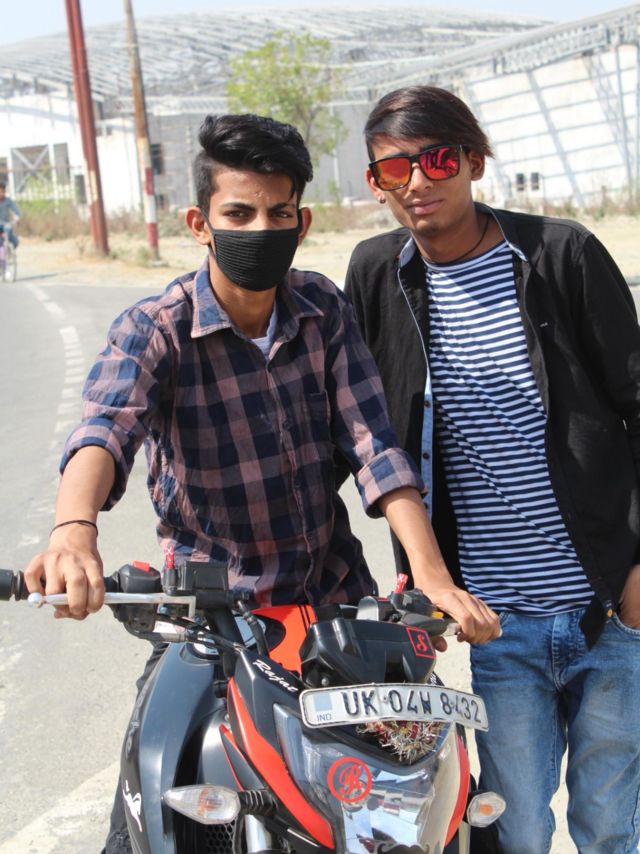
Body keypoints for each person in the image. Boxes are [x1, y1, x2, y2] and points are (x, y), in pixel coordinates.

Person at [24, 113, 499, 854]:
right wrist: (72, 532)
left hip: (336, 612)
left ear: (301, 222)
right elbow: (103, 431)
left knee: (431, 803)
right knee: (152, 798)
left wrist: (432, 577)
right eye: (239, 214)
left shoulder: (323, 310)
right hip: (210, 622)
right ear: (200, 224)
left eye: (279, 214)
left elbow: (375, 447)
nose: (261, 229)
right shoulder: (156, 327)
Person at [344, 85, 640, 854]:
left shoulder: (560, 254)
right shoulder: (378, 273)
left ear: (474, 161)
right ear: (375, 183)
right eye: (393, 169)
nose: (417, 181)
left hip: (608, 608)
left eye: (438, 159)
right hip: (493, 620)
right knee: (513, 827)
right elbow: (358, 431)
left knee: (611, 823)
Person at [0, 181, 20, 249]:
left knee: (15, 242)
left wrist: (16, 217)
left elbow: (15, 210)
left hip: (6, 225)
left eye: (2, 191)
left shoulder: (8, 201)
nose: (1, 194)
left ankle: (9, 251)